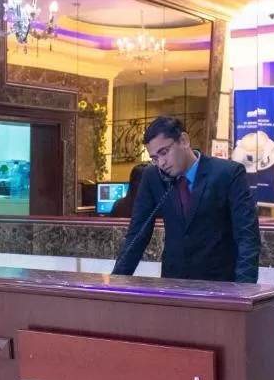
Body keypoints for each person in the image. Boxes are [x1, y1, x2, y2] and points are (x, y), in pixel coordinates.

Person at [112, 116, 261, 283]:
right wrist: (115, 283)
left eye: (164, 152)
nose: (161, 163)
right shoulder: (152, 177)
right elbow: (137, 235)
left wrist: (244, 289)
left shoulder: (229, 173)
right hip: (172, 284)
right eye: (154, 158)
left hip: (219, 284)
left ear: (184, 140)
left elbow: (247, 236)